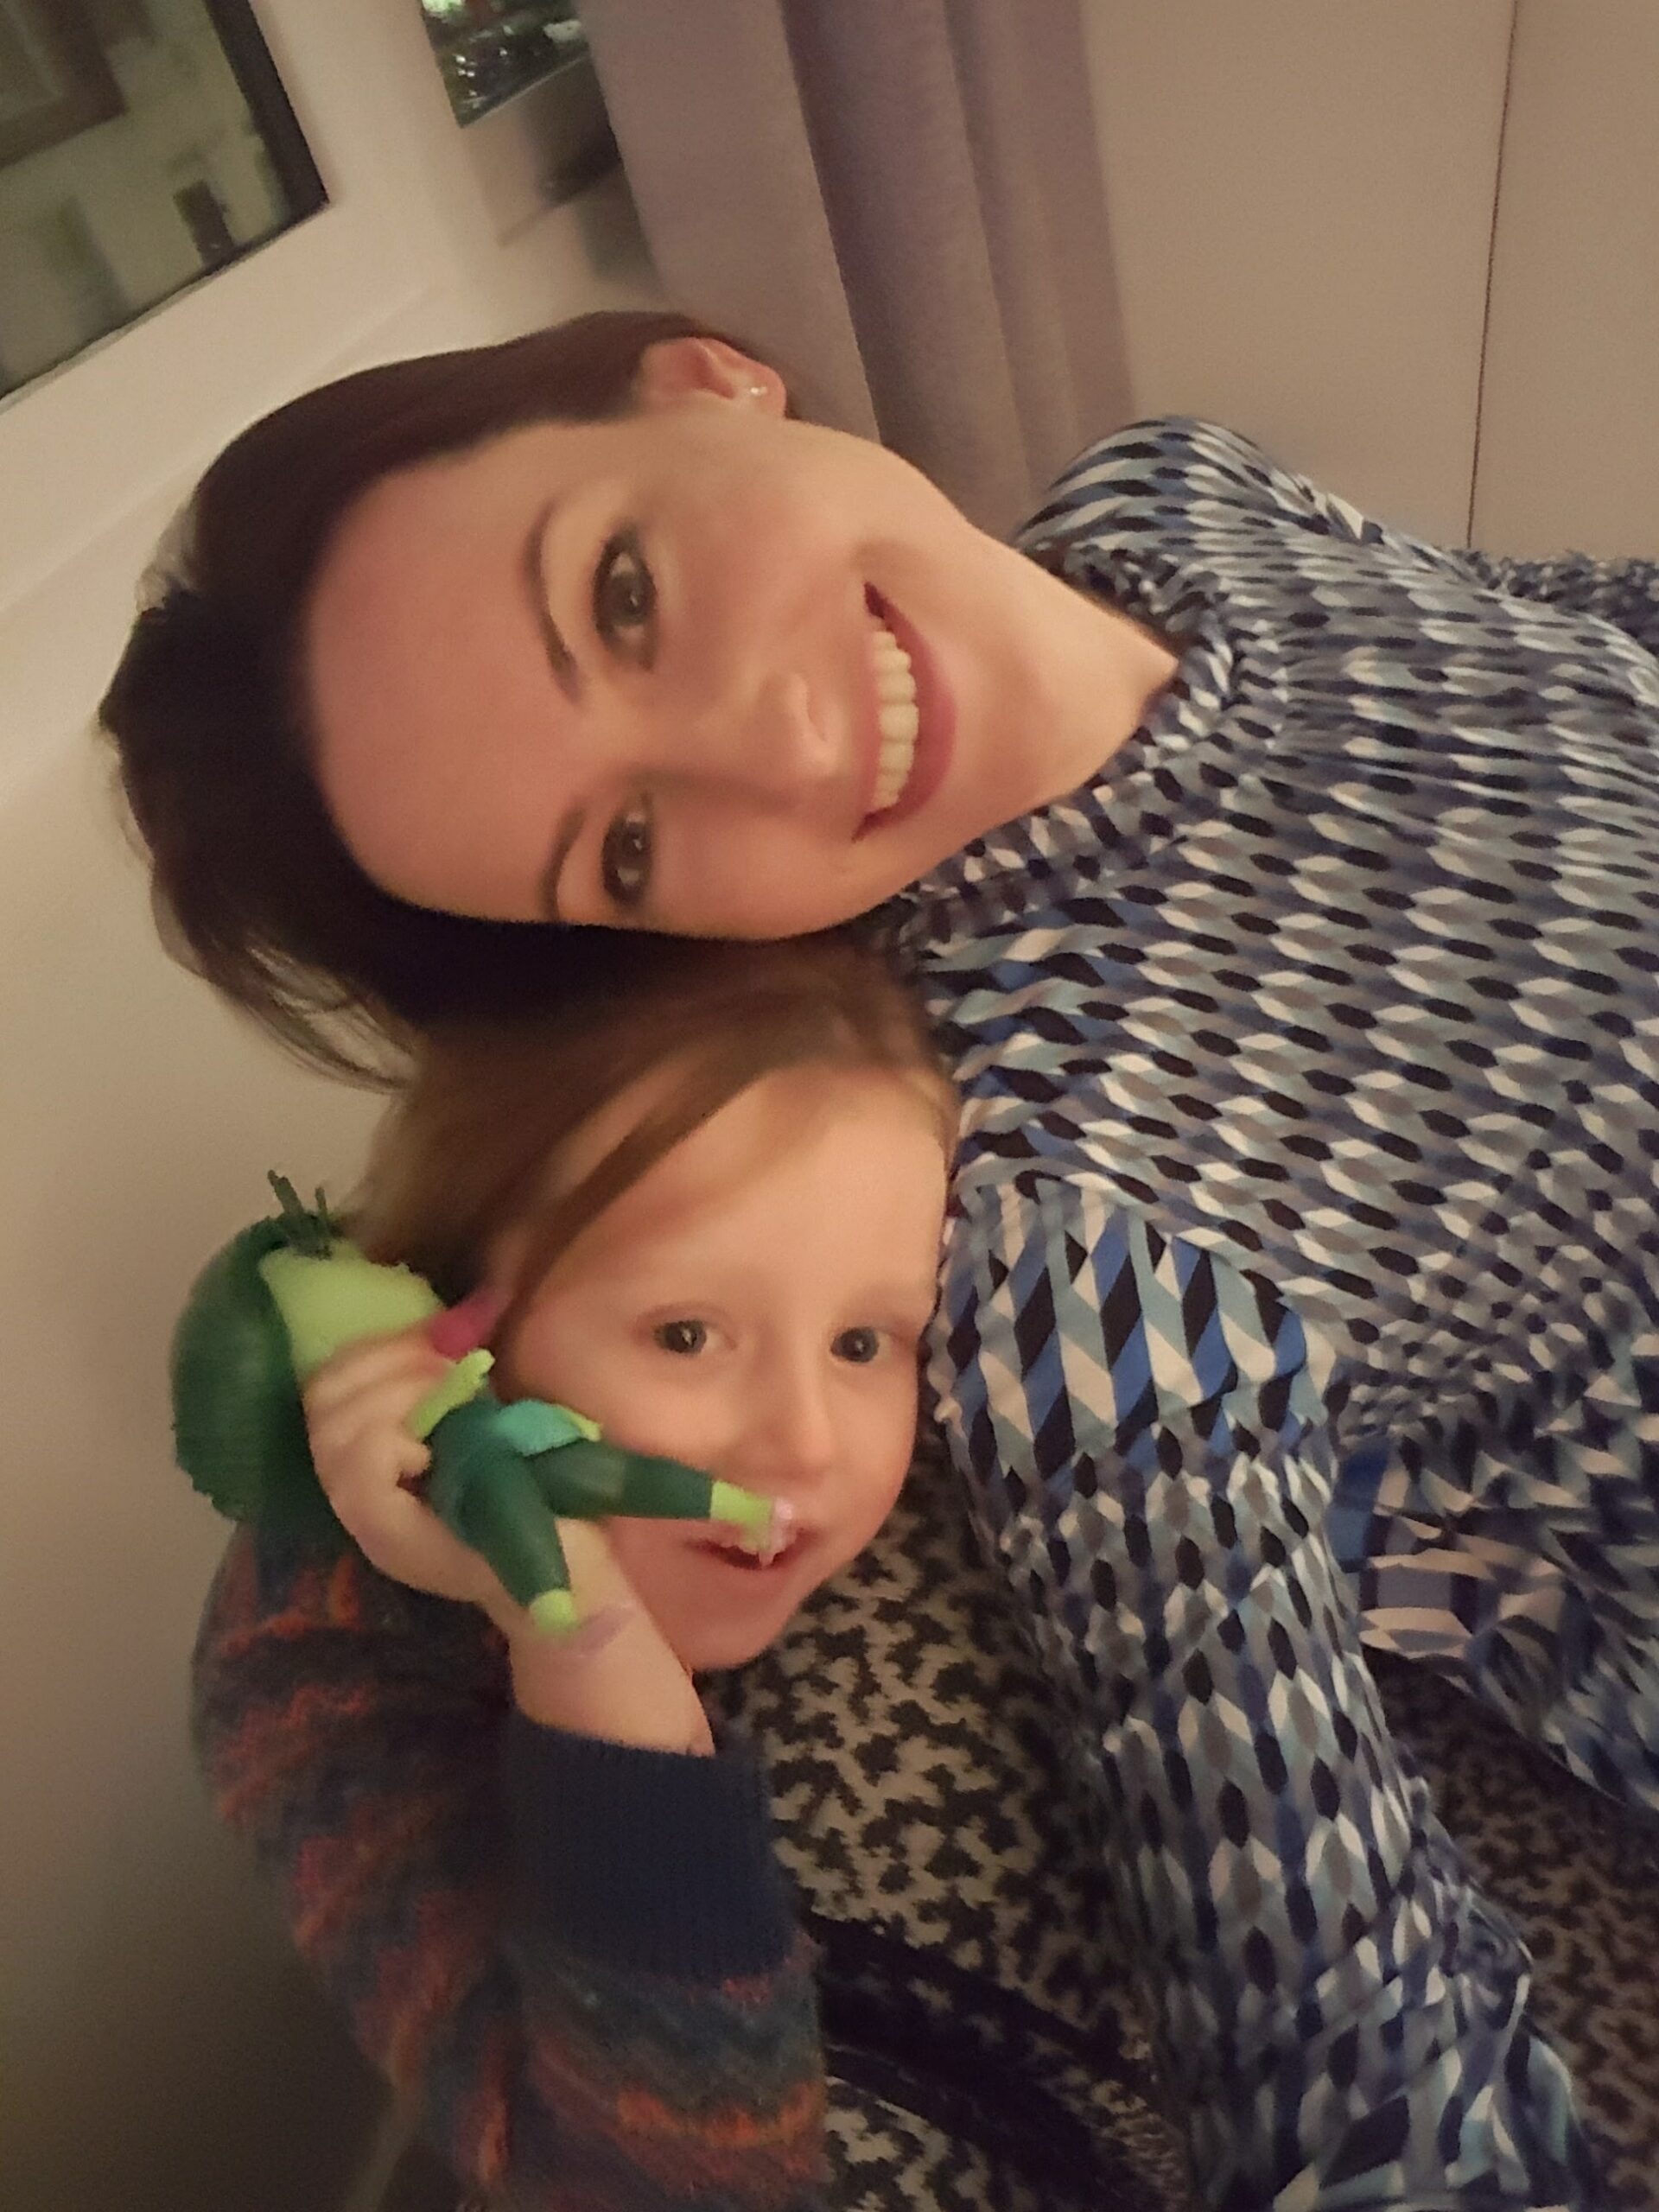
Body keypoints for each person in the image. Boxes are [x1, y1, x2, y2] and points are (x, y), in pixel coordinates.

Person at [103, 305, 1659, 2208]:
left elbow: (1575, 636)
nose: (785, 741)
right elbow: (1357, 2082)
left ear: (705, 381)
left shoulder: (1174, 495)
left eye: (622, 593)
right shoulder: (1087, 1245)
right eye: (630, 849)